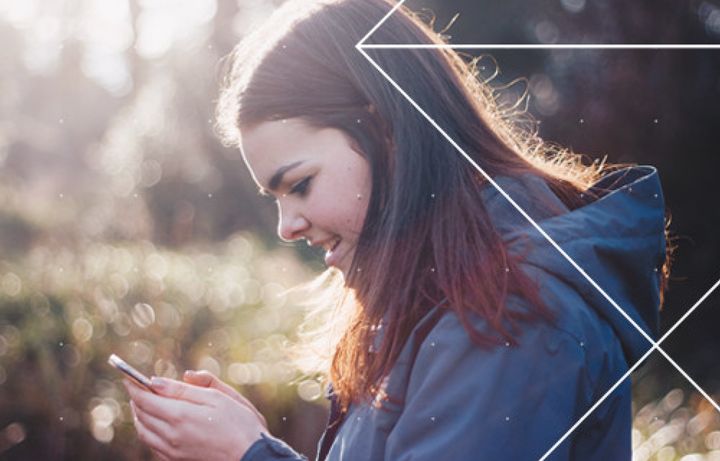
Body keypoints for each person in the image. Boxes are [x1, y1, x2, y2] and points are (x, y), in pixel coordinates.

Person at [123, 0, 671, 460]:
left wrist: (248, 454)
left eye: (301, 184)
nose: (287, 227)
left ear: (384, 128)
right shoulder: (449, 295)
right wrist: (255, 445)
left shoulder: (509, 313)